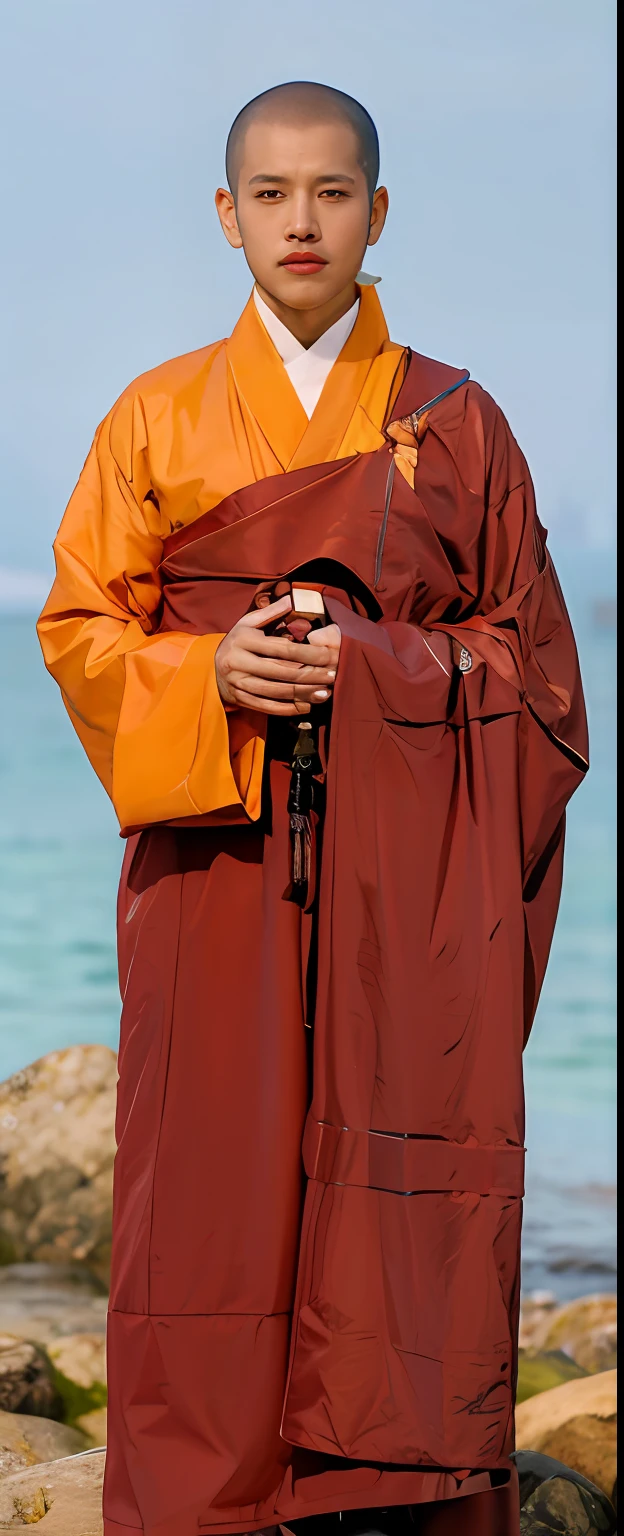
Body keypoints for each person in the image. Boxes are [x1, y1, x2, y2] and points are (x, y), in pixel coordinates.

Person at [38, 81, 588, 1536]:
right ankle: (200, 1504)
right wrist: (208, 669)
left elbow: (535, 677)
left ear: (378, 213)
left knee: (389, 1185)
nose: (301, 220)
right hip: (212, 859)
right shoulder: (154, 413)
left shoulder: (458, 425)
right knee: (204, 1188)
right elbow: (81, 630)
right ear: (226, 217)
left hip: (396, 883)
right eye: (270, 194)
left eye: (332, 193)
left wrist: (383, 667)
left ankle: (386, 1489)